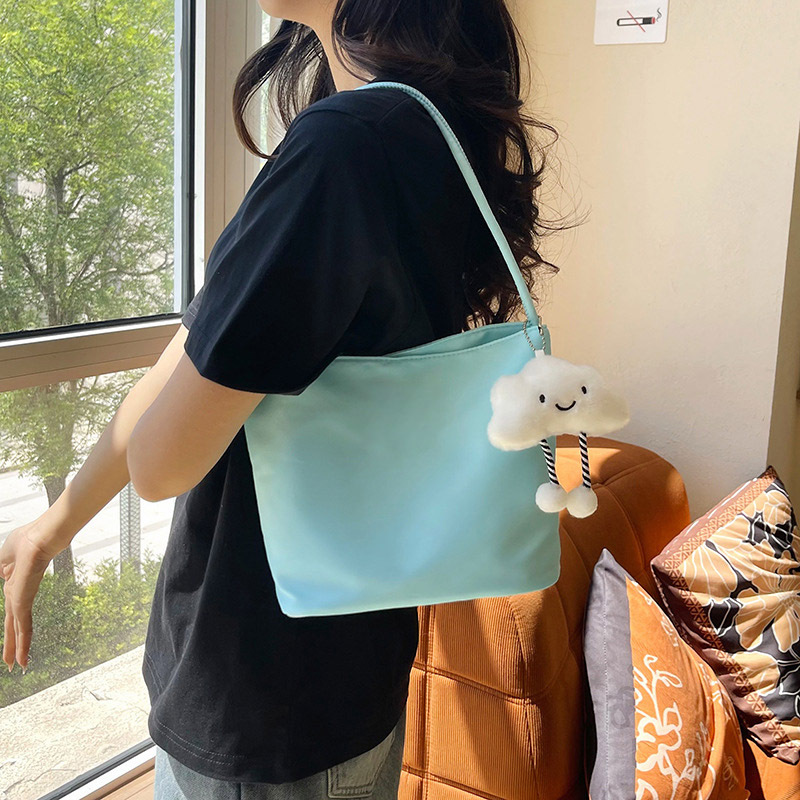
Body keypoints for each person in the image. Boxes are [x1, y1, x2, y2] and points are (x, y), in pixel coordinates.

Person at [1, 0, 569, 797]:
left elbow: (162, 464)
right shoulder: (426, 128)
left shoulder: (339, 149)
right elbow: (190, 352)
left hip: (259, 693)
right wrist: (53, 524)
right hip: (342, 665)